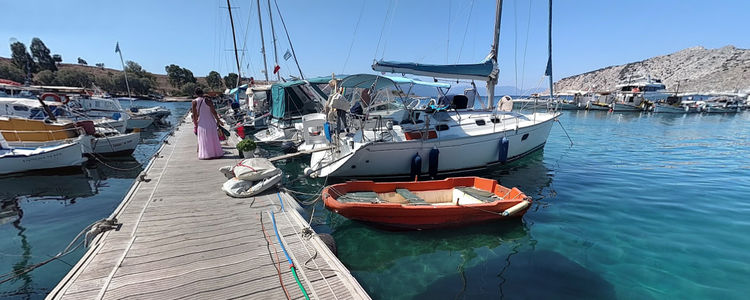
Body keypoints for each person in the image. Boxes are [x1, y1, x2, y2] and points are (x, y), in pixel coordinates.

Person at [192, 88, 224, 159]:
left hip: (202, 122)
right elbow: (214, 112)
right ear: (203, 93)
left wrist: (195, 124)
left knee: (204, 139)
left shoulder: (194, 101)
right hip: (211, 121)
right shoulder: (208, 100)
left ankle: (206, 154)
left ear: (196, 94)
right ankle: (216, 153)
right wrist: (218, 120)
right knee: (213, 138)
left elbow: (194, 115)